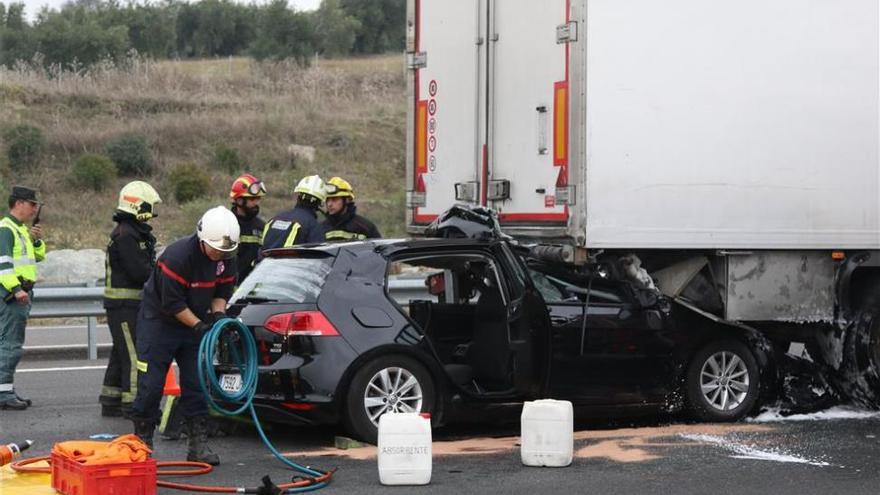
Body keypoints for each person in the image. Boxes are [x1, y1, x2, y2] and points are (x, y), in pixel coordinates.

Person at [130, 206, 239, 465]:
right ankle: (142, 445)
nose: (220, 255)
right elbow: (173, 304)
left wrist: (219, 316)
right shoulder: (177, 257)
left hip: (195, 320)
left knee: (196, 382)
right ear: (202, 240)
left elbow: (221, 292)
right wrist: (199, 326)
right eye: (217, 250)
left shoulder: (226, 256)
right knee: (152, 384)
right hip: (159, 322)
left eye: (226, 251)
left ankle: (198, 445)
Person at [99, 181, 161, 418]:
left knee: (120, 353)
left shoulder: (133, 233)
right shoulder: (126, 235)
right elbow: (139, 272)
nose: (152, 213)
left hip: (128, 306)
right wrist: (158, 274)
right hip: (124, 306)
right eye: (149, 206)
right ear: (138, 205)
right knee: (134, 355)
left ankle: (111, 399)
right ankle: (135, 405)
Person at [0, 186, 45, 410]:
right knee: (11, 345)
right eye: (31, 203)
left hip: (20, 293)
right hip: (12, 296)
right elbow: (3, 264)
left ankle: (5, 389)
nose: (34, 208)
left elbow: (37, 256)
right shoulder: (6, 229)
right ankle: (4, 393)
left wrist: (36, 240)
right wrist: (16, 289)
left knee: (9, 343)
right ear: (18, 203)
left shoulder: (20, 230)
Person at [261, 175, 326, 250]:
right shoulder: (314, 227)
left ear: (298, 195)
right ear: (320, 203)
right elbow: (318, 257)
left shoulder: (274, 220)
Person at [228, 174, 266, 283]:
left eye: (258, 198)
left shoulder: (261, 227)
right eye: (252, 199)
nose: (256, 203)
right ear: (239, 200)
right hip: (229, 292)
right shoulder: (227, 223)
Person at [321, 176, 381, 241]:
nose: (329, 204)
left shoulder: (365, 227)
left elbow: (380, 249)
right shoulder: (320, 228)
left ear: (347, 200)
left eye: (334, 199)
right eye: (327, 200)